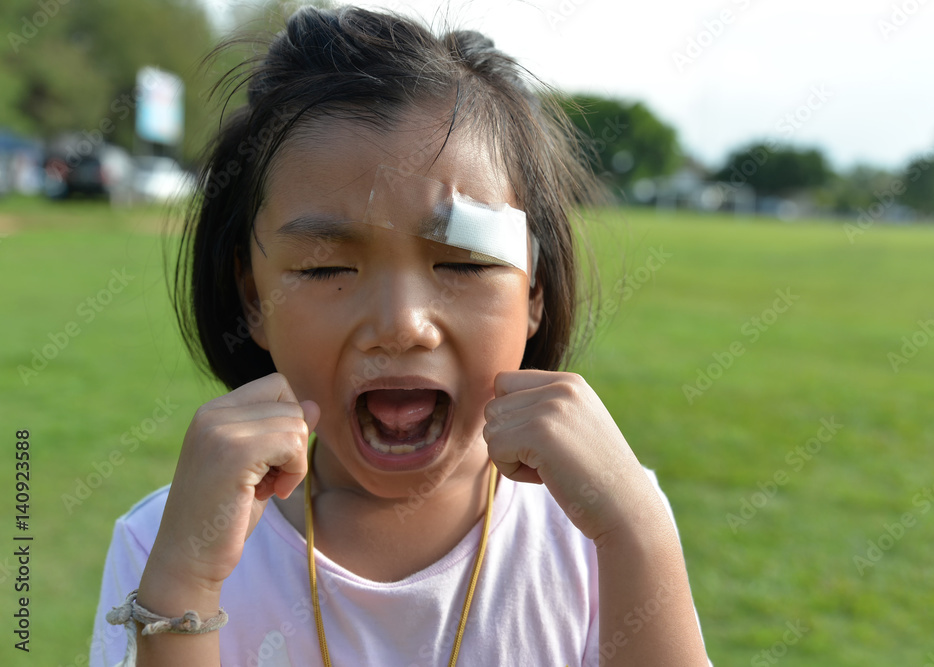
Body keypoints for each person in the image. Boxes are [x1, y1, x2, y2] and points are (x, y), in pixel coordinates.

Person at [91, 6, 711, 666]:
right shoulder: (167, 540)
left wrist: (638, 535)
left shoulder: (602, 518)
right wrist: (184, 586)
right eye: (326, 266)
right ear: (252, 298)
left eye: (464, 263)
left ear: (533, 290)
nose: (400, 324)